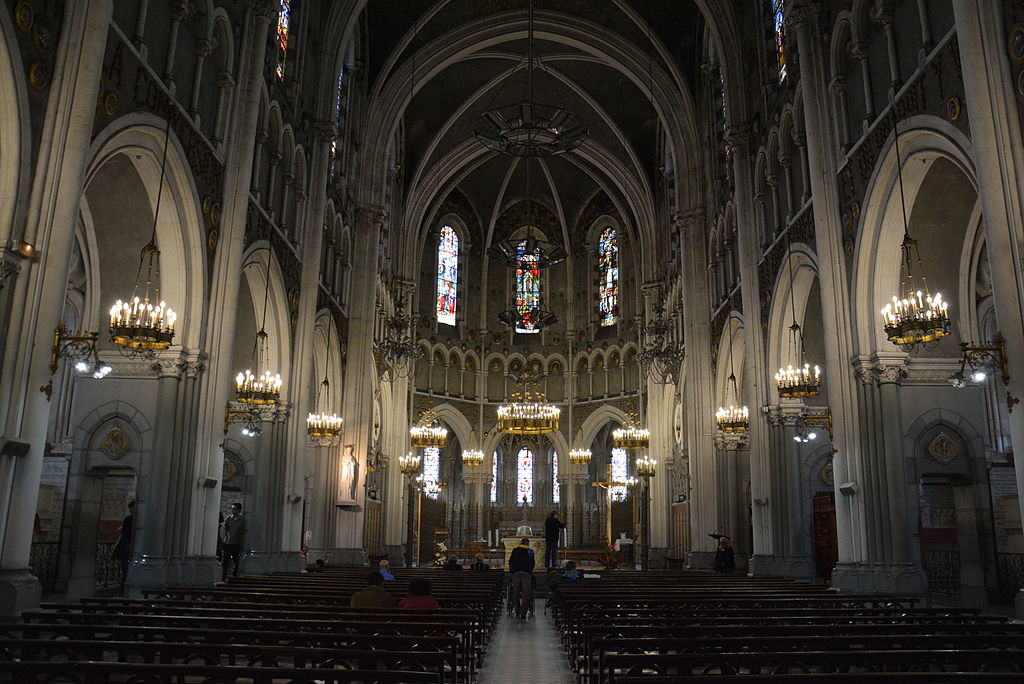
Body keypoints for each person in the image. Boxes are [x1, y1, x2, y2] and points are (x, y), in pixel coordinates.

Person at [508, 537, 535, 619]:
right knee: (525, 594)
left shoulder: (515, 550)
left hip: (516, 573)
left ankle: (517, 611)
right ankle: (523, 613)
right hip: (526, 574)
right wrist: (529, 571)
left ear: (521, 543)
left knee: (515, 592)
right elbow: (532, 563)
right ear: (527, 543)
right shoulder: (530, 551)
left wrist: (512, 572)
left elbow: (510, 561)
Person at [110, 501, 134, 585]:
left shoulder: (129, 518)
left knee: (125, 568)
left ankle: (123, 587)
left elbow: (124, 531)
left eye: (130, 507)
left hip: (126, 545)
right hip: (132, 546)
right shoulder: (136, 519)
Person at [221, 503, 246, 582]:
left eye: (234, 508)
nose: (232, 510)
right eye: (232, 508)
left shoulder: (242, 520)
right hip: (228, 543)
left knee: (236, 562)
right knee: (225, 562)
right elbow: (225, 529)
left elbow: (243, 532)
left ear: (238, 510)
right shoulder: (228, 518)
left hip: (237, 544)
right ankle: (224, 577)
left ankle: (235, 577)